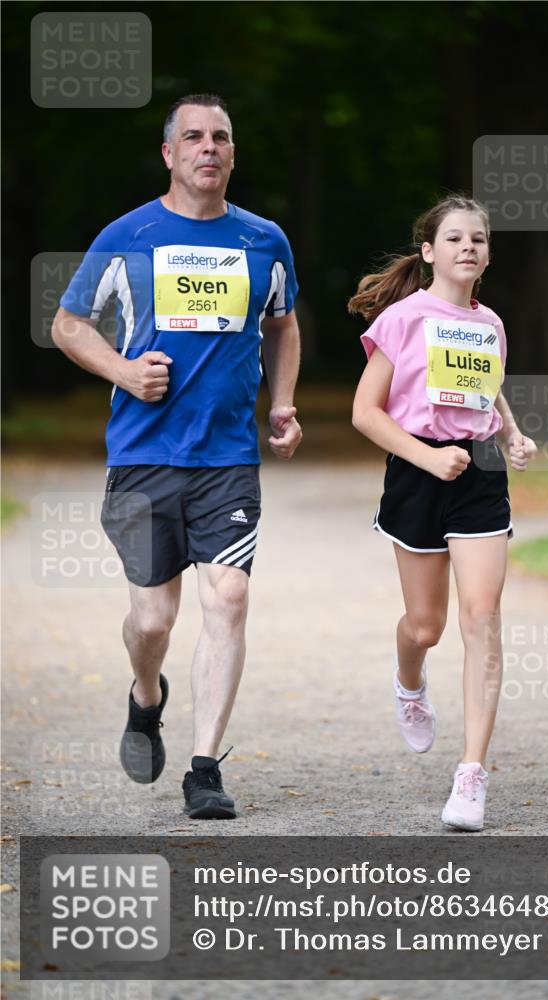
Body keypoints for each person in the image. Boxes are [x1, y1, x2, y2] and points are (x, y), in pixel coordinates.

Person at [51, 94, 302, 819]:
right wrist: (124, 371)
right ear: (169, 153)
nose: (207, 147)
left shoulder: (263, 240)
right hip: (143, 456)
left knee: (228, 599)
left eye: (220, 137)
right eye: (193, 136)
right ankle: (145, 695)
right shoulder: (128, 235)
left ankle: (204, 768)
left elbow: (283, 325)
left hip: (228, 459)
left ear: (232, 153)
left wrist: (282, 404)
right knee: (154, 621)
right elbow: (68, 324)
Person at [349, 194, 536, 832]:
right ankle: (410, 682)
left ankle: (472, 773)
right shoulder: (402, 319)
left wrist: (511, 433)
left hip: (478, 471)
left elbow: (488, 389)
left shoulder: (491, 324)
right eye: (454, 238)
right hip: (418, 469)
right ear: (429, 251)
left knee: (482, 618)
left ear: (487, 255)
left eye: (477, 239)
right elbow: (365, 413)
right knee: (426, 627)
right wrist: (428, 459)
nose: (467, 248)